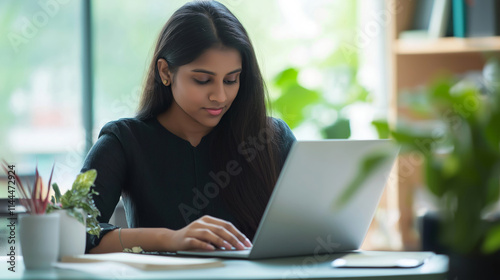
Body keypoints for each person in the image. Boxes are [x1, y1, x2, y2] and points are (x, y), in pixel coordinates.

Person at [83, 0, 296, 254]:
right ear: (165, 71)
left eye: (231, 80)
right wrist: (169, 239)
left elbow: (318, 228)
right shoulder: (124, 141)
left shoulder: (271, 138)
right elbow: (75, 236)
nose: (220, 96)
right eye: (202, 80)